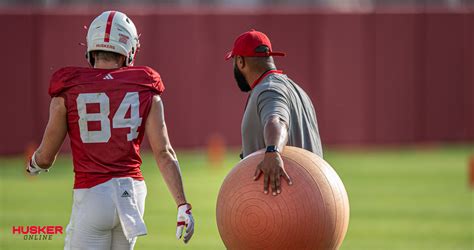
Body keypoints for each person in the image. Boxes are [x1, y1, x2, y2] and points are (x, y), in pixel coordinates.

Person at [25, 11, 194, 249]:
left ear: (91, 48)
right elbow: (164, 152)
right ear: (129, 49)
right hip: (132, 196)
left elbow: (45, 157)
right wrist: (182, 204)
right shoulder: (146, 90)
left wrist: (33, 164)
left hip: (93, 194)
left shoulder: (69, 89)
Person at [225, 29, 323, 196]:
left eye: (234, 61)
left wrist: (273, 151)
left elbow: (276, 120)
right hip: (319, 201)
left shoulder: (268, 88)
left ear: (240, 61)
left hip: (287, 209)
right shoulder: (298, 91)